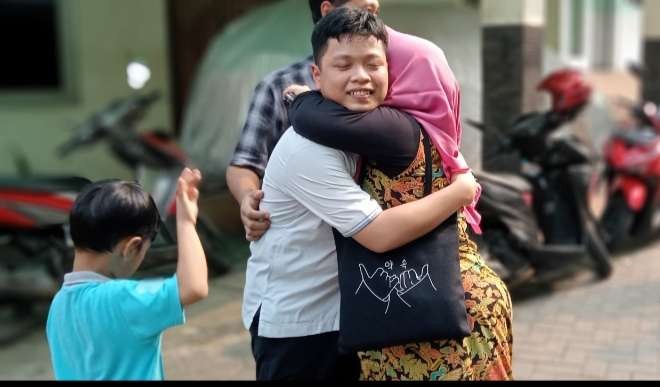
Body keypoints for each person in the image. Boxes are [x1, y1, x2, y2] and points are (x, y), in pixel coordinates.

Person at [242, 8, 479, 381]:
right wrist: (461, 192)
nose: (361, 77)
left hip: (347, 315)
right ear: (317, 75)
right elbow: (379, 233)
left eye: (373, 64)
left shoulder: (364, 129)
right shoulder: (307, 150)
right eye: (345, 65)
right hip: (300, 325)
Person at [226, 0, 380, 242]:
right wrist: (249, 198)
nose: (360, 77)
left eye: (376, 11)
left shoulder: (384, 82)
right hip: (303, 251)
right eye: (365, 10)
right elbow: (244, 163)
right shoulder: (278, 86)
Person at [46, 168, 209, 381]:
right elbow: (193, 287)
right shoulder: (122, 298)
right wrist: (186, 222)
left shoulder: (57, 306)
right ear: (132, 247)